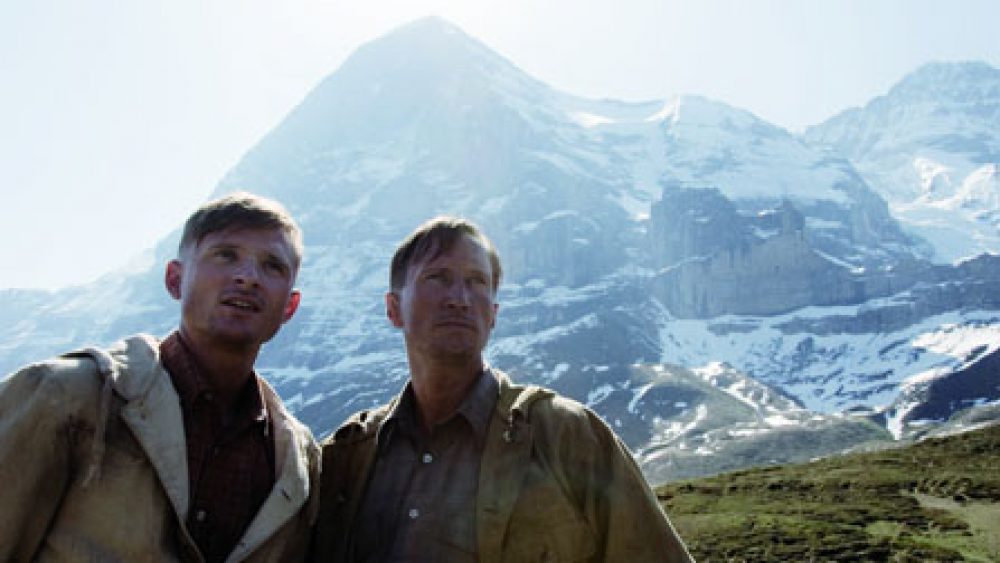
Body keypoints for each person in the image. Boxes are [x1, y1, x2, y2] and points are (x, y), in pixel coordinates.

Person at [311, 216, 692, 562]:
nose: (459, 299)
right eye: (437, 277)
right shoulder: (348, 456)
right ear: (394, 309)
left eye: (477, 282)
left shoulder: (566, 435)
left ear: (494, 314)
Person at [0, 192, 319, 562]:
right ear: (174, 280)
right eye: (226, 255)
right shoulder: (67, 395)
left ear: (290, 307)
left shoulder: (297, 461)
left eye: (272, 266)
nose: (248, 278)